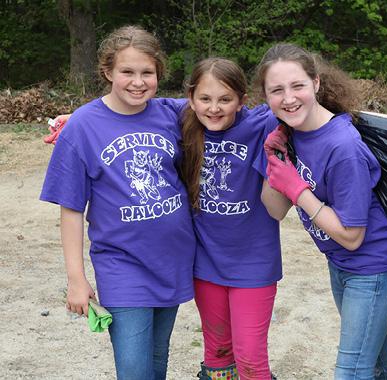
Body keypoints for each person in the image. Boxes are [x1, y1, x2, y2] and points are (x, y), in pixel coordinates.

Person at [39, 25, 196, 380]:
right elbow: (71, 209)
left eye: (147, 73)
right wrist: (76, 278)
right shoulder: (82, 127)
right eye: (127, 72)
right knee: (134, 370)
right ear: (108, 72)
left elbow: (219, 103)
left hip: (172, 259)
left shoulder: (171, 113)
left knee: (157, 361)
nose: (138, 82)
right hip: (122, 265)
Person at [256, 43, 387, 380]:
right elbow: (275, 209)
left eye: (297, 86)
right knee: (377, 362)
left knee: (352, 371)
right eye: (276, 91)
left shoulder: (342, 146)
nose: (288, 98)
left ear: (316, 84)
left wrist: (297, 188)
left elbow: (352, 236)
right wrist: (274, 161)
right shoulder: (290, 132)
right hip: (340, 263)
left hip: (374, 268)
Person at [179, 58, 281, 380]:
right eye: (205, 99)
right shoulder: (184, 122)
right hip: (205, 262)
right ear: (192, 98)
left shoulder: (260, 125)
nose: (214, 108)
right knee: (218, 353)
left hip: (253, 263)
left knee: (250, 357)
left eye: (225, 99)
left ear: (242, 100)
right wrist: (81, 118)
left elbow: (306, 107)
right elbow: (128, 108)